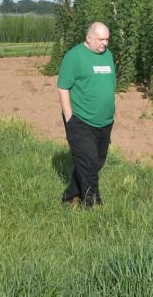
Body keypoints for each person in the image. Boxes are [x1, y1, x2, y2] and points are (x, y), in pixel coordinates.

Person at [58, 22, 116, 207]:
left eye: (107, 39)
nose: (105, 43)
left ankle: (69, 196)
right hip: (81, 120)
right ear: (89, 38)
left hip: (105, 121)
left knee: (96, 161)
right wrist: (70, 118)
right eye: (101, 39)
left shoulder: (108, 55)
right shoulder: (74, 56)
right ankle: (91, 201)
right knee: (88, 162)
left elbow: (109, 86)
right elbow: (63, 87)